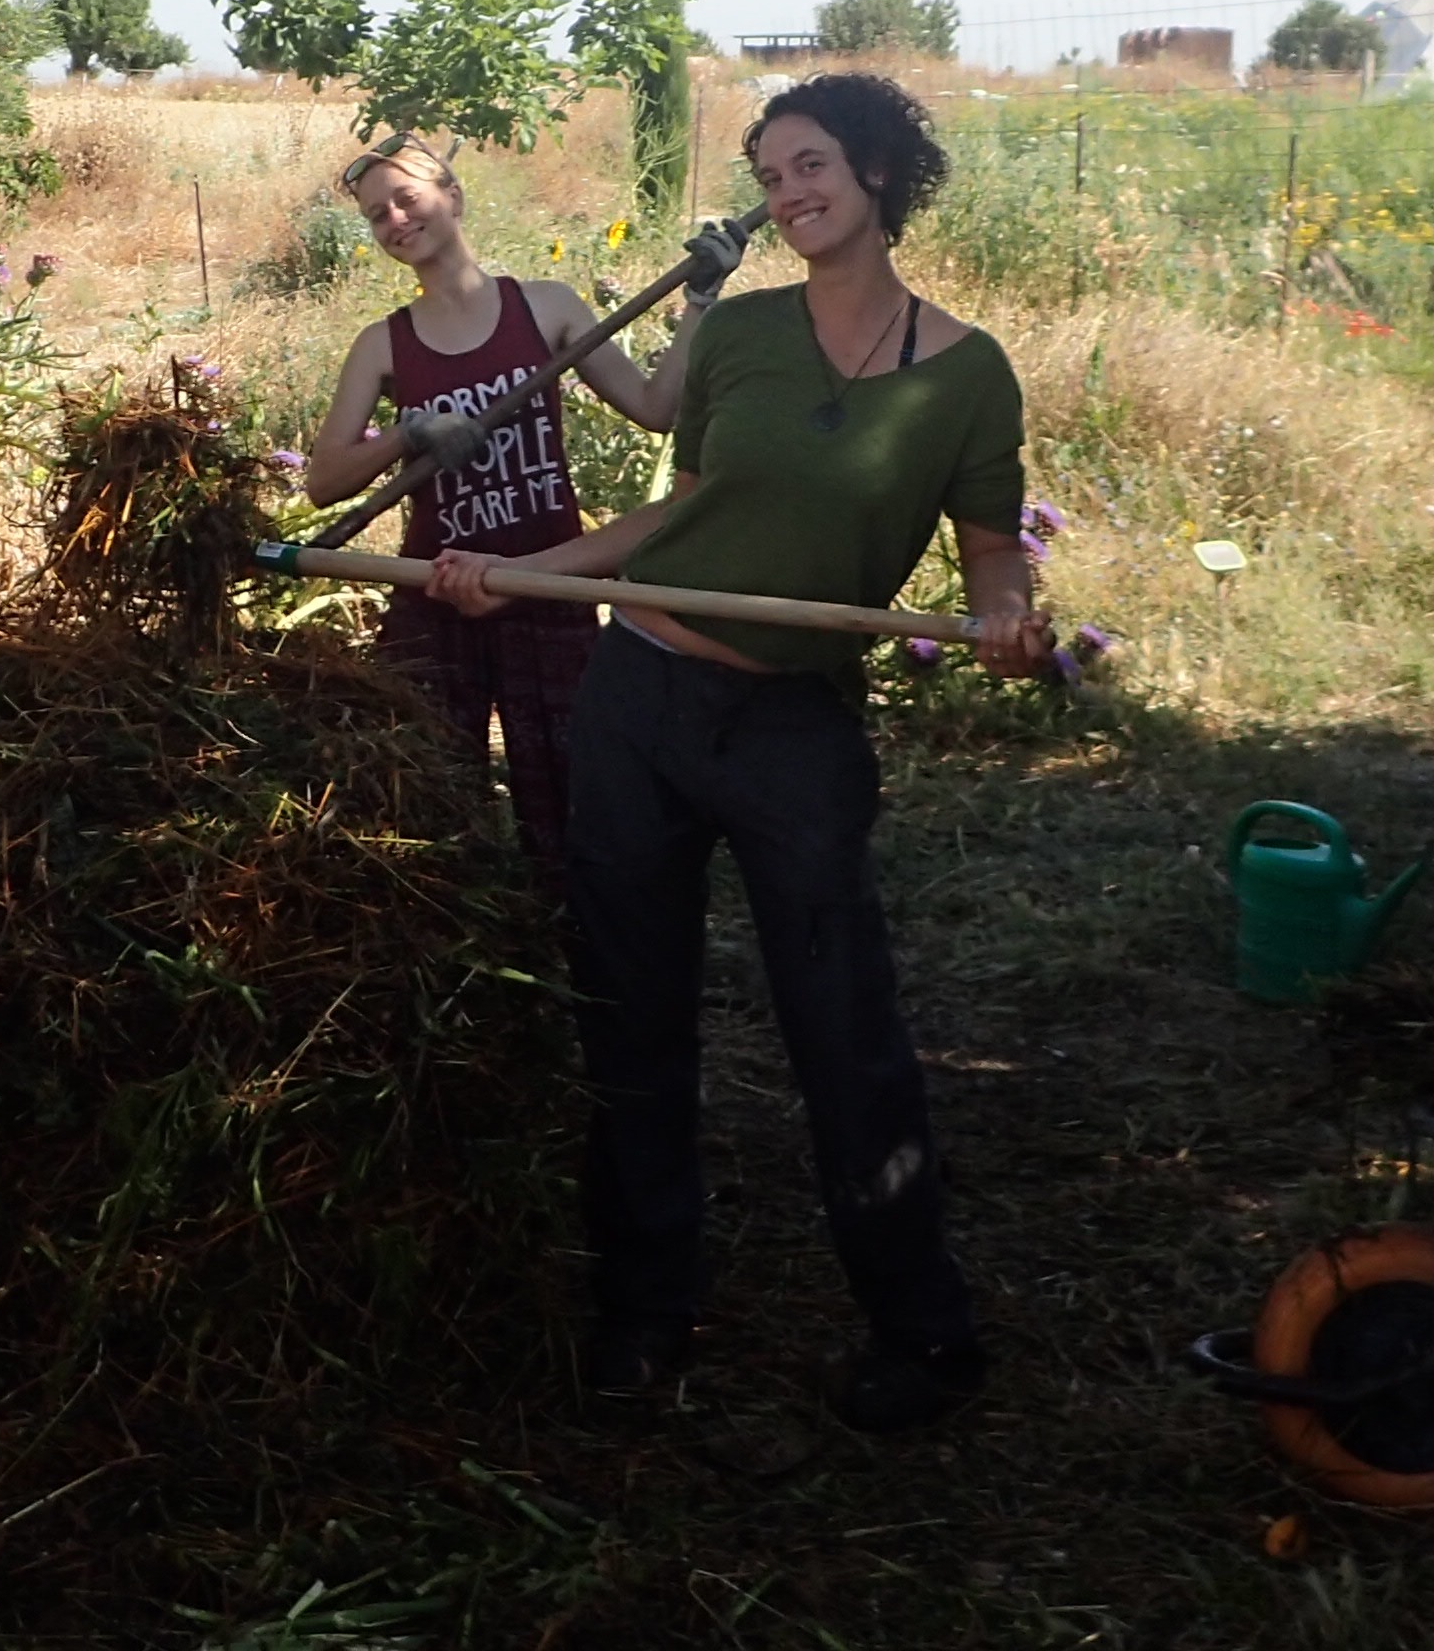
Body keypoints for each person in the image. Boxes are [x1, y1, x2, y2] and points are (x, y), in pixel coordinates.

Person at [423, 72, 1050, 1434]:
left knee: (844, 1024)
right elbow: (677, 520)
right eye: (769, 176)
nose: (788, 193)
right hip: (640, 700)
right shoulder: (742, 334)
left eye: (810, 164)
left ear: (876, 169)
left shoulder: (966, 375)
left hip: (791, 728)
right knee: (630, 1010)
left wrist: (1005, 616)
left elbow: (991, 551)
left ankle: (918, 1329)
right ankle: (646, 1310)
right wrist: (515, 575)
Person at [298, 136, 699, 900]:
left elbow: (655, 409)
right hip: (437, 594)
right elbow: (323, 482)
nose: (395, 220)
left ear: (452, 196)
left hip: (549, 586)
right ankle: (464, 936)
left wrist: (700, 304)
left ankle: (578, 935)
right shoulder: (383, 345)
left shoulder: (545, 308)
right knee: (433, 798)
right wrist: (409, 433)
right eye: (377, 215)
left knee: (569, 795)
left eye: (407, 199)